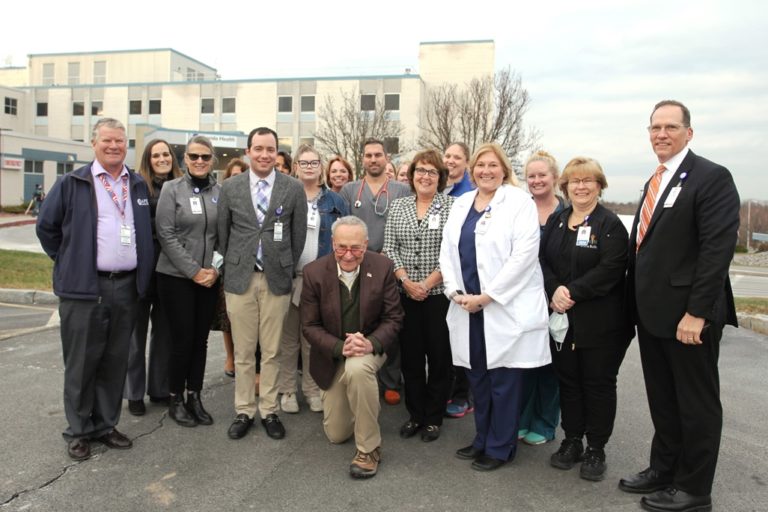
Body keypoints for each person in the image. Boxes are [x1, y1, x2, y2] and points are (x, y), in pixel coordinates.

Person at [619, 100, 740, 512]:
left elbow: (715, 252)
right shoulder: (657, 179)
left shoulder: (711, 177)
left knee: (696, 405)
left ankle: (693, 489)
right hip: (653, 316)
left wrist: (698, 313)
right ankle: (663, 470)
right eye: (655, 127)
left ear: (689, 132)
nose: (661, 134)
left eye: (671, 126)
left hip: (689, 318)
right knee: (664, 401)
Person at [36, 118, 153, 460]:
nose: (114, 146)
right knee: (81, 362)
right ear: (94, 143)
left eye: (120, 141)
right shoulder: (73, 182)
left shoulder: (137, 184)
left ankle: (105, 425)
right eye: (107, 141)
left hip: (126, 287)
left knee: (115, 360)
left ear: (126, 145)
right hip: (85, 289)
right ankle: (78, 430)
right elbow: (47, 228)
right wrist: (71, 261)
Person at [439, 143, 549, 472]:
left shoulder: (518, 202)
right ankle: (482, 438)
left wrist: (487, 297)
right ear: (472, 170)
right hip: (467, 306)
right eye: (480, 165)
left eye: (493, 165)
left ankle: (501, 447)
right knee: (478, 379)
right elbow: (448, 250)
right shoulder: (461, 203)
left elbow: (524, 257)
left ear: (504, 169)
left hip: (501, 306)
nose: (486, 170)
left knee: (503, 380)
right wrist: (454, 292)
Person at [539, 157, 631, 481]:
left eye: (587, 180)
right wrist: (554, 290)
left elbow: (611, 269)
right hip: (562, 319)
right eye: (574, 181)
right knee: (569, 382)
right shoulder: (557, 220)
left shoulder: (610, 225)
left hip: (601, 322)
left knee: (598, 384)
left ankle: (596, 448)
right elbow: (543, 260)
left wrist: (572, 291)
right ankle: (573, 440)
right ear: (565, 186)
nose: (580, 186)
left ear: (599, 185)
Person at [217, 127, 307, 441]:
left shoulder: (293, 188)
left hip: (276, 279)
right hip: (240, 278)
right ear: (248, 151)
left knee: (271, 351)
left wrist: (282, 265)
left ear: (277, 152)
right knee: (243, 351)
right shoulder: (229, 187)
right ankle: (244, 409)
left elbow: (298, 238)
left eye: (270, 149)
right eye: (258, 149)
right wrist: (236, 263)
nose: (264, 155)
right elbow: (223, 235)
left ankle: (269, 410)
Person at [301, 216, 404, 478]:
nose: (348, 255)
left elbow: (394, 318)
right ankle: (361, 399)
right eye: (342, 247)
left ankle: (369, 449)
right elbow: (309, 326)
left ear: (366, 244)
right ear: (333, 244)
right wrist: (339, 347)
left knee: (358, 369)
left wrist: (369, 343)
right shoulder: (314, 272)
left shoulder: (382, 267)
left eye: (356, 248)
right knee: (336, 435)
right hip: (334, 354)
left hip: (369, 348)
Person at [383, 150, 453, 442]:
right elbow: (389, 247)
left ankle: (434, 417)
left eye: (432, 172)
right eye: (420, 171)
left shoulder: (452, 206)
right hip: (406, 295)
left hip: (438, 296)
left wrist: (427, 282)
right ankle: (416, 414)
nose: (425, 176)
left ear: (440, 177)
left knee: (439, 358)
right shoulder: (398, 206)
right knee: (411, 359)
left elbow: (454, 252)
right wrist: (406, 281)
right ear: (411, 176)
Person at [278, 145, 349, 414]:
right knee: (288, 341)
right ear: (295, 166)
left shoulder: (334, 202)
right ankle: (286, 391)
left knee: (313, 342)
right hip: (289, 278)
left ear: (321, 167)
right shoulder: (284, 197)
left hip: (320, 282)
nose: (309, 167)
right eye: (304, 162)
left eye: (314, 162)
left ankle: (311, 389)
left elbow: (346, 241)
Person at [155, 135, 220, 427]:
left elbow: (224, 236)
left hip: (209, 278)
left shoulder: (220, 192)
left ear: (212, 160)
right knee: (182, 340)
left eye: (205, 157)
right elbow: (165, 235)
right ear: (185, 159)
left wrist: (215, 269)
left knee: (201, 340)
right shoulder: (172, 189)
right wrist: (194, 270)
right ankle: (175, 398)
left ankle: (195, 395)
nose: (199, 161)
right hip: (176, 277)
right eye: (194, 156)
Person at [339, 139, 410, 405]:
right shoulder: (350, 190)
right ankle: (360, 377)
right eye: (368, 155)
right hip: (356, 264)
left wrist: (388, 256)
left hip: (391, 265)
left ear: (386, 157)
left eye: (378, 155)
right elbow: (344, 226)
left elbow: (406, 226)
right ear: (362, 159)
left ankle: (391, 381)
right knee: (360, 321)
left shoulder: (401, 190)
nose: (373, 159)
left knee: (390, 323)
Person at [124, 139, 182, 416]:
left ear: (173, 157)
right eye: (156, 155)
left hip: (170, 270)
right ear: (148, 159)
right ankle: (134, 392)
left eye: (166, 154)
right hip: (140, 270)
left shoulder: (182, 186)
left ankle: (159, 388)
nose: (162, 159)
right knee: (135, 336)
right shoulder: (136, 186)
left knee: (164, 335)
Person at [517, 150, 564, 445]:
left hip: (555, 299)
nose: (536, 181)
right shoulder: (520, 209)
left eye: (542, 175)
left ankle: (545, 423)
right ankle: (520, 419)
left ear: (555, 178)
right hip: (523, 297)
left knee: (550, 365)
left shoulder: (568, 212)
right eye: (531, 176)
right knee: (524, 363)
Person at [442, 141, 476, 418]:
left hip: (462, 275)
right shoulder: (442, 188)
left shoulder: (470, 192)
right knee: (446, 339)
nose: (451, 161)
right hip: (442, 275)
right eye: (448, 156)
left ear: (466, 163)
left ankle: (464, 394)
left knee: (463, 338)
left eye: (457, 157)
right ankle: (449, 389)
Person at [211, 159, 249, 379]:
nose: (237, 179)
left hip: (250, 264)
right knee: (227, 317)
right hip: (227, 264)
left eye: (241, 175)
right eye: (233, 176)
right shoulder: (222, 199)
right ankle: (230, 356)